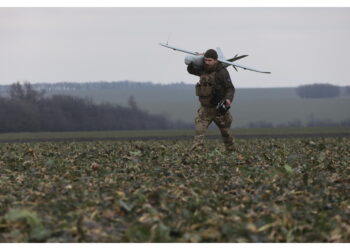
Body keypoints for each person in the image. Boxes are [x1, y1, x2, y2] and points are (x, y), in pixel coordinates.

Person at [187, 49, 235, 152]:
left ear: (215, 60)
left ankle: (232, 152)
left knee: (226, 132)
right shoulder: (203, 69)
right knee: (199, 131)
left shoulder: (222, 72)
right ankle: (197, 154)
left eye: (209, 60)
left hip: (219, 109)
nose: (207, 62)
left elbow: (230, 88)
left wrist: (228, 99)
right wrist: (194, 60)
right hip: (205, 109)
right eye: (205, 60)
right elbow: (190, 70)